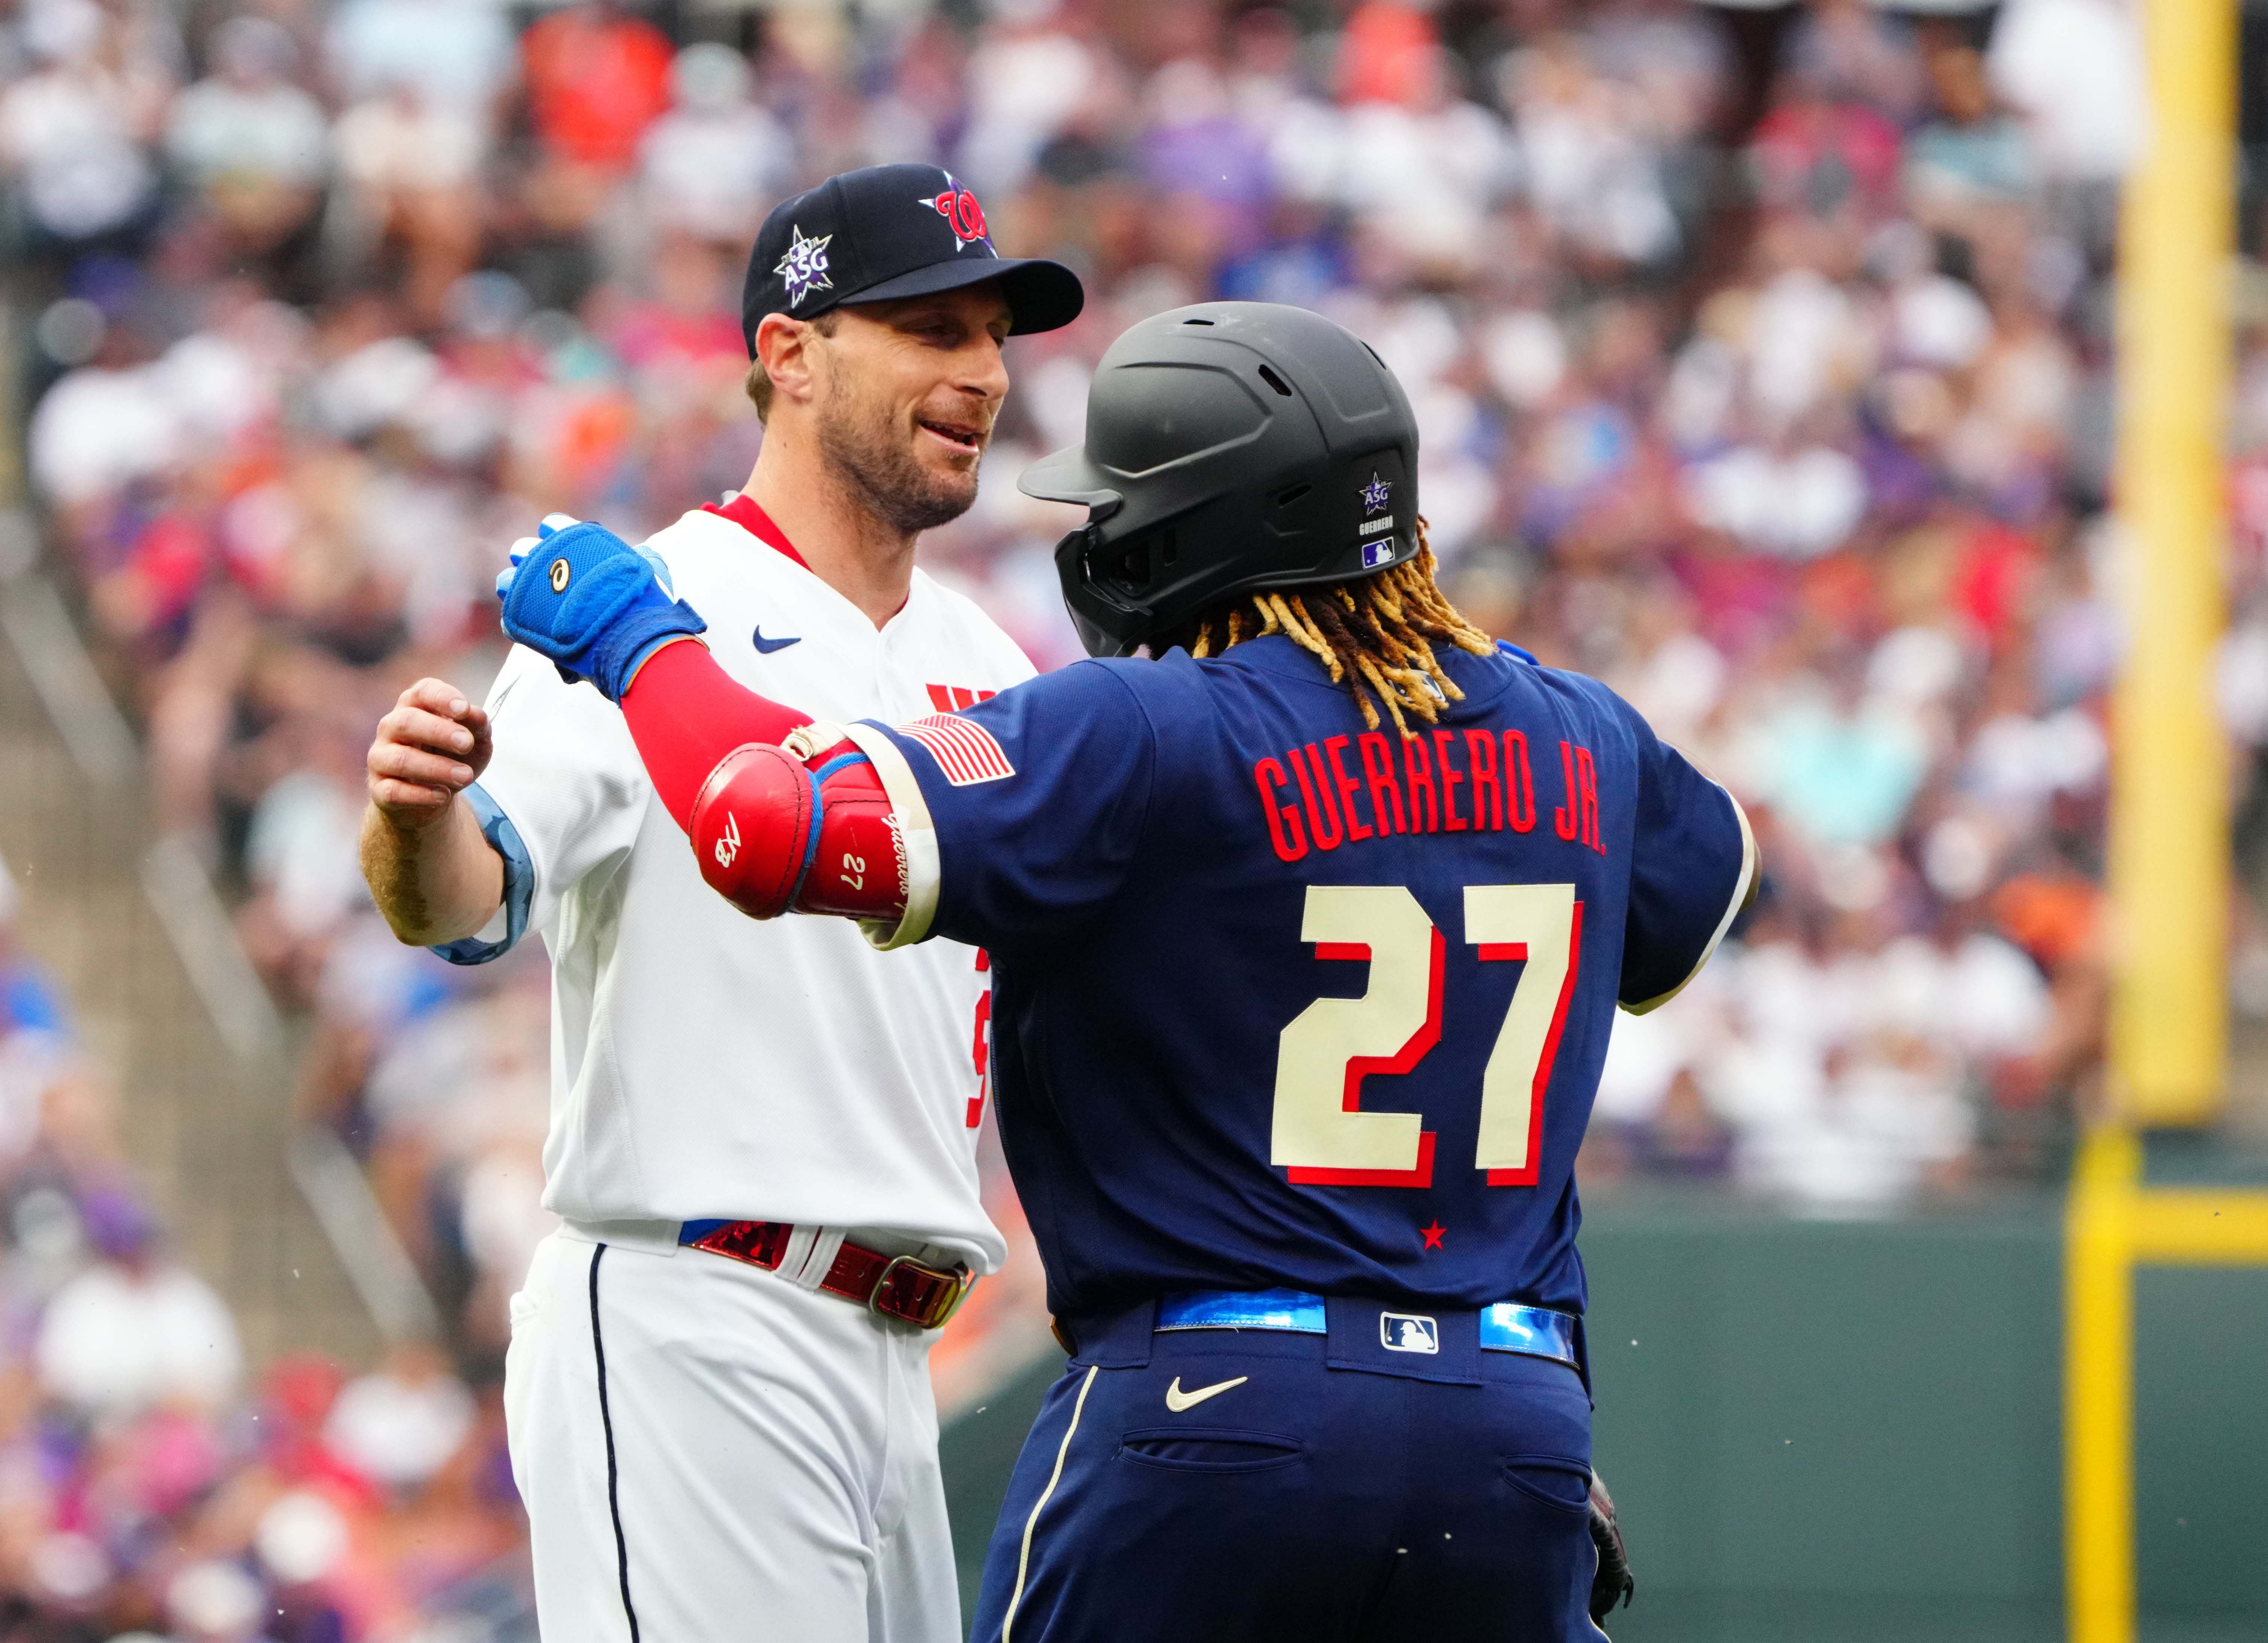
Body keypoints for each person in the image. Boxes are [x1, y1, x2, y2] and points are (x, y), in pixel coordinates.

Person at [492, 301, 1752, 1642]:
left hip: (1210, 1415)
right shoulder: (1584, 732)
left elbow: (769, 830)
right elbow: (1702, 890)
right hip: (1514, 1428)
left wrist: (639, 644)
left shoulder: (1147, 729)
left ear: (1191, 533)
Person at [356, 164, 1082, 1643]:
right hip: (698, 1308)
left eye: (994, 335)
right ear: (790, 353)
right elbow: (467, 903)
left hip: (894, 1348)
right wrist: (410, 813)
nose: (982, 374)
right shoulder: (651, 601)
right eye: (930, 328)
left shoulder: (995, 663)